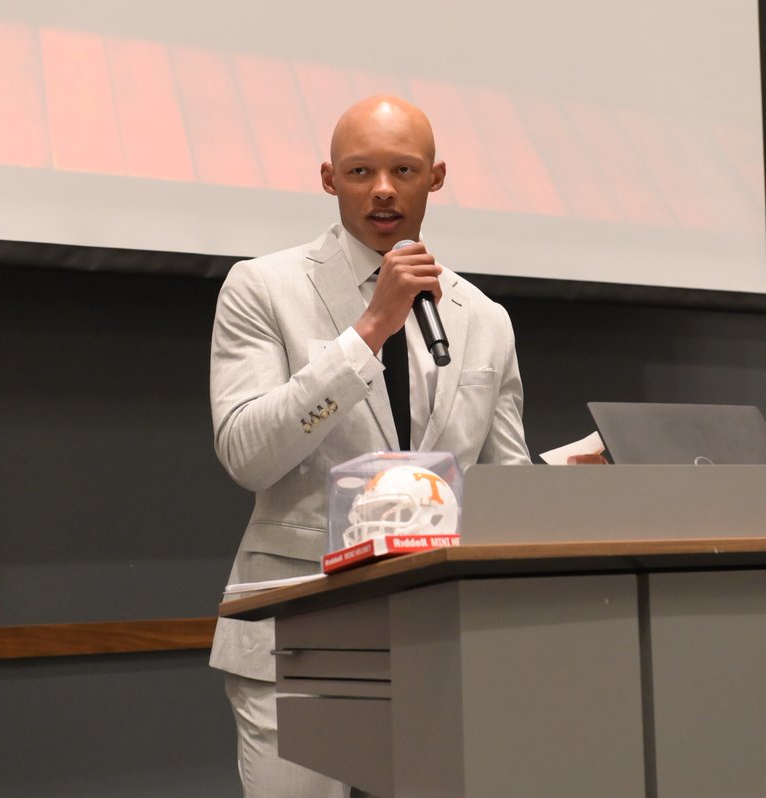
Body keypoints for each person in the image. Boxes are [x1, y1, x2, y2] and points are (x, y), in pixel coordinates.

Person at [209, 95, 531, 797]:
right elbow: (246, 453)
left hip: (439, 639)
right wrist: (369, 331)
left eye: (403, 170)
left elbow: (508, 484)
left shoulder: (485, 319)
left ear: (436, 178)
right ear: (329, 180)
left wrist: (566, 483)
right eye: (360, 171)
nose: (382, 189)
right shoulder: (262, 288)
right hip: (298, 636)